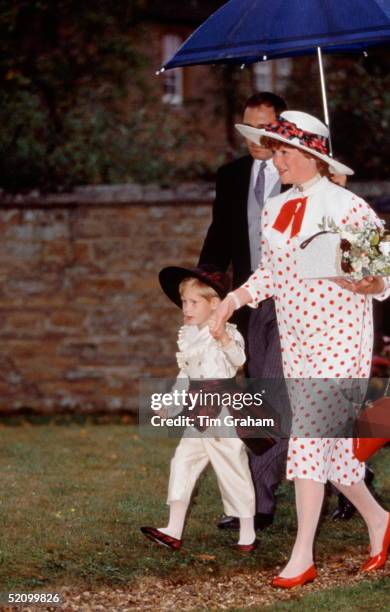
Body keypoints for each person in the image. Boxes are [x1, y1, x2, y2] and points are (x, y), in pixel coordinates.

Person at [211, 110, 390, 587]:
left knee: (309, 440)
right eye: (273, 150)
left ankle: (302, 555)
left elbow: (380, 277)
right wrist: (232, 300)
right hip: (297, 340)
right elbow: (270, 274)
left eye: (284, 150)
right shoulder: (274, 207)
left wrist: (354, 278)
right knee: (331, 455)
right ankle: (379, 520)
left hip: (341, 337)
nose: (276, 159)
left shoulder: (348, 206)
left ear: (312, 154)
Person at [199, 92, 290, 532]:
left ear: (282, 127)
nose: (256, 137)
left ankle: (259, 502)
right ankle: (346, 474)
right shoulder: (231, 177)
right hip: (249, 302)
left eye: (265, 128)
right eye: (248, 127)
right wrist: (203, 285)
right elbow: (219, 237)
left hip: (297, 303)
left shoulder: (302, 176)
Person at [140, 265, 257, 551]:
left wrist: (225, 340)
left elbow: (239, 359)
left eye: (194, 302)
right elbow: (185, 378)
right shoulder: (188, 336)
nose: (187, 308)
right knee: (182, 462)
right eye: (184, 302)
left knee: (232, 467)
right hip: (196, 414)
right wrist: (170, 405)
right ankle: (174, 528)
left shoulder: (227, 332)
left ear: (214, 304)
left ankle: (247, 531)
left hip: (222, 414)